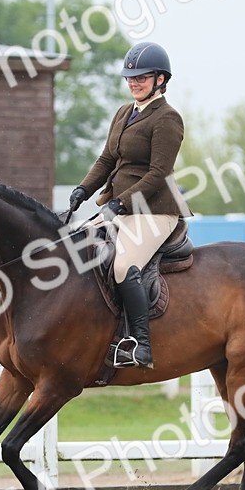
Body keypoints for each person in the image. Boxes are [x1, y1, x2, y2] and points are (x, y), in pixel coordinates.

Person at [67, 41, 190, 369]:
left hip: (155, 211)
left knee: (123, 266)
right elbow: (107, 158)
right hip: (120, 206)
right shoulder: (124, 112)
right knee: (76, 248)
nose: (134, 82)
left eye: (142, 77)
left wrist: (120, 203)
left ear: (160, 79)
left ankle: (140, 345)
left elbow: (158, 173)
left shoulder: (167, 119)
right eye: (130, 77)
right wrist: (83, 188)